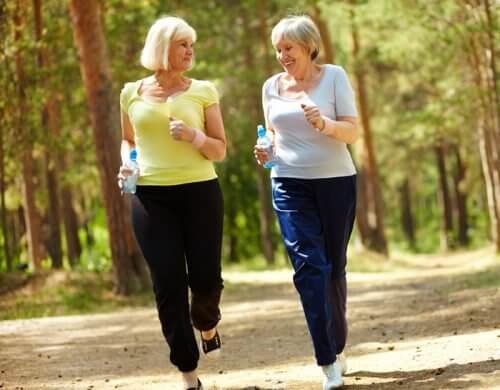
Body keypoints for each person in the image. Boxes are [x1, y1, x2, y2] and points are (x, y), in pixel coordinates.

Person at [118, 16, 226, 390]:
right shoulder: (130, 92)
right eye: (183, 45)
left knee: (206, 278)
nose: (190, 51)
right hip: (150, 197)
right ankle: (187, 373)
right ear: (163, 48)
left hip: (200, 193)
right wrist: (126, 164)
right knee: (167, 283)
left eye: (191, 45)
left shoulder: (203, 91)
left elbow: (220, 149)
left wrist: (194, 136)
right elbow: (128, 140)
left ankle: (208, 322)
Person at [255, 15, 359, 390]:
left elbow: (352, 130)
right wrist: (264, 151)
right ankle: (327, 359)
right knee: (308, 269)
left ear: (308, 46)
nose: (282, 56)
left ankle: (338, 341)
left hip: (336, 183)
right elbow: (271, 137)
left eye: (289, 48)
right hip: (288, 183)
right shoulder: (271, 87)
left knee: (333, 268)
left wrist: (325, 125)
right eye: (278, 49)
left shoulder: (334, 77)